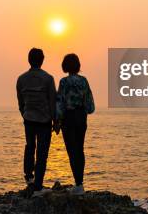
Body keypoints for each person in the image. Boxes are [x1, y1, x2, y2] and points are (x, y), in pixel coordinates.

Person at [16, 48, 56, 196]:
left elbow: (20, 102)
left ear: (29, 60)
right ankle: (38, 185)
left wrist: (24, 114)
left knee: (30, 146)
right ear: (42, 60)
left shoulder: (21, 79)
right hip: (44, 120)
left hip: (28, 119)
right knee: (42, 153)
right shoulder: (48, 79)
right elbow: (52, 102)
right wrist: (56, 121)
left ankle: (29, 176)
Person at [54, 53, 95, 195]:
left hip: (69, 119)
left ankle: (78, 185)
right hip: (81, 118)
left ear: (65, 66)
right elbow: (90, 105)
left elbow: (59, 104)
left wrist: (57, 122)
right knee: (80, 149)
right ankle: (80, 183)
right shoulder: (84, 81)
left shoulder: (64, 82)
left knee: (72, 152)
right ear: (78, 66)